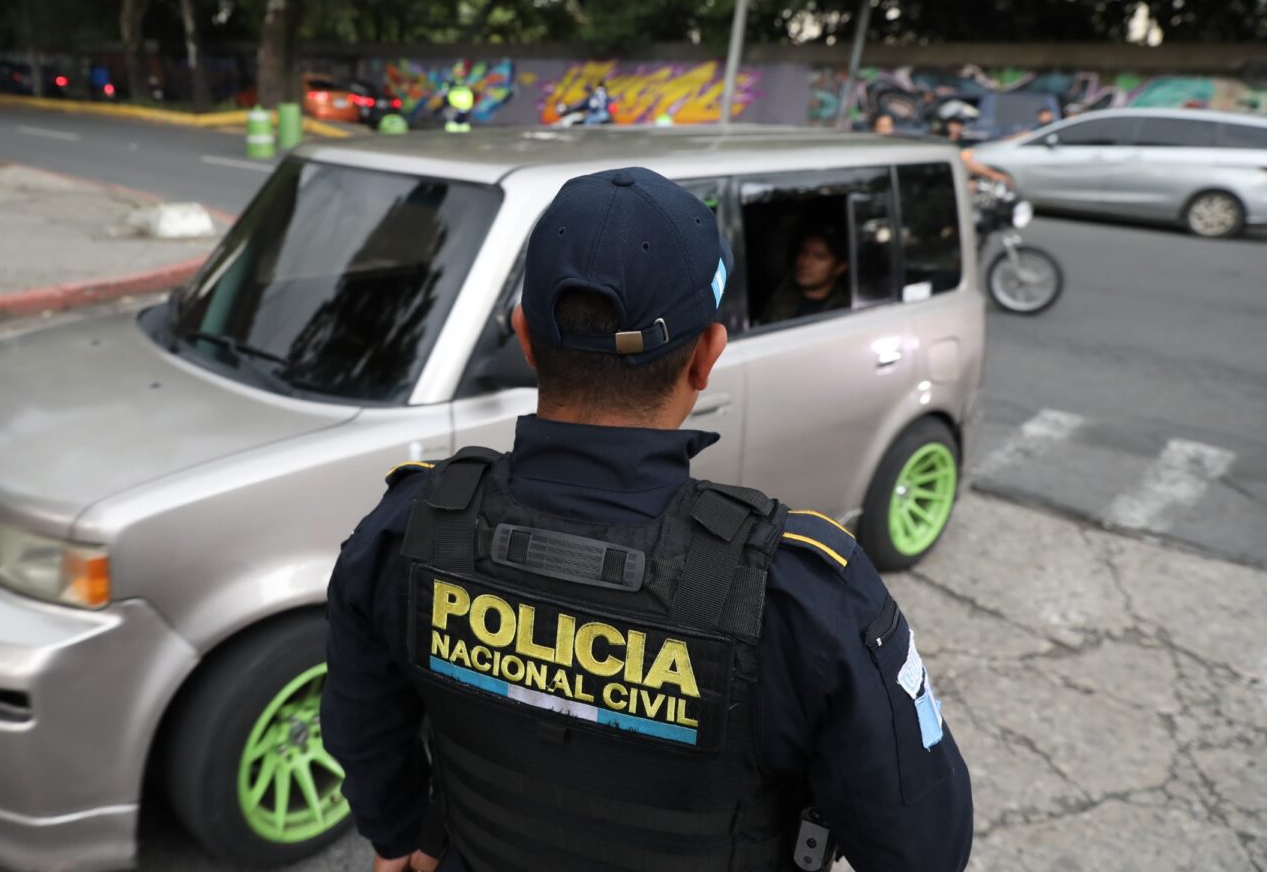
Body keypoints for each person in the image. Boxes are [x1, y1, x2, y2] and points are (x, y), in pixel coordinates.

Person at [322, 167, 974, 872]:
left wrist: (398, 834)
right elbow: (923, 848)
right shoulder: (801, 596)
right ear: (706, 356)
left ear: (526, 338)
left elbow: (362, 725)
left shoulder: (409, 527)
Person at [760, 224, 851, 323]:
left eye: (819, 257)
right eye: (803, 252)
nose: (805, 262)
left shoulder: (843, 313)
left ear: (840, 267)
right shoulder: (783, 293)